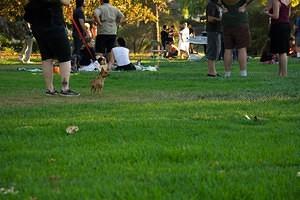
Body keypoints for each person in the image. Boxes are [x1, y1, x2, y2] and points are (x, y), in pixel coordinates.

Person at [24, 0, 80, 96]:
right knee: (65, 56)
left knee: (46, 57)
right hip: (53, 22)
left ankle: (50, 89)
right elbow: (66, 2)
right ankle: (65, 88)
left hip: (37, 25)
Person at [220, 0, 253, 77]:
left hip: (227, 21)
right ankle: (243, 73)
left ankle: (227, 73)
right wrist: (244, 5)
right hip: (240, 20)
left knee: (228, 49)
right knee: (242, 48)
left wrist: (222, 6)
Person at [265, 0, 291, 77]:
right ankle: (280, 73)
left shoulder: (276, 1)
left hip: (278, 26)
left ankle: (284, 74)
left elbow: (276, 16)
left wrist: (267, 14)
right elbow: (288, 14)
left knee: (282, 52)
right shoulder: (289, 1)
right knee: (282, 51)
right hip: (286, 25)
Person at [206, 0, 222, 77]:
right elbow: (210, 18)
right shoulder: (211, 4)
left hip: (217, 31)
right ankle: (211, 72)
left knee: (216, 50)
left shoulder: (217, 4)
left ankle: (213, 71)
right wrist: (221, 19)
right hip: (213, 31)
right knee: (212, 50)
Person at [72, 0, 88, 69]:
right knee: (77, 50)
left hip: (76, 33)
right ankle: (75, 65)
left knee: (76, 49)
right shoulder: (79, 11)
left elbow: (82, 20)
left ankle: (75, 64)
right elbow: (81, 23)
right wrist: (86, 32)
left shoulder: (77, 10)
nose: (86, 2)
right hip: (78, 33)